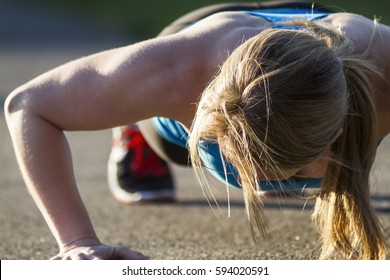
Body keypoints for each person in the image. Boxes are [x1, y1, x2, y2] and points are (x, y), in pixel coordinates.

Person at [4, 1, 390, 260]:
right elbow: (28, 106)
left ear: (338, 131)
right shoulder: (178, 70)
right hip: (204, 37)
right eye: (242, 163)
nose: (247, 179)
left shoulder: (381, 68)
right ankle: (131, 126)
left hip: (313, 35)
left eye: (277, 171)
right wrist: (77, 242)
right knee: (163, 133)